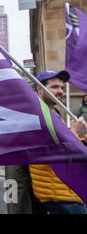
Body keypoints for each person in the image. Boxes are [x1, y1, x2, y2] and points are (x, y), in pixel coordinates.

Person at [29, 70, 87, 214]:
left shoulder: (52, 112)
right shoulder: (37, 115)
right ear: (39, 89)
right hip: (59, 195)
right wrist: (75, 132)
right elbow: (54, 152)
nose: (60, 91)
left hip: (65, 191)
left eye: (62, 87)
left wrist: (83, 139)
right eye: (54, 87)